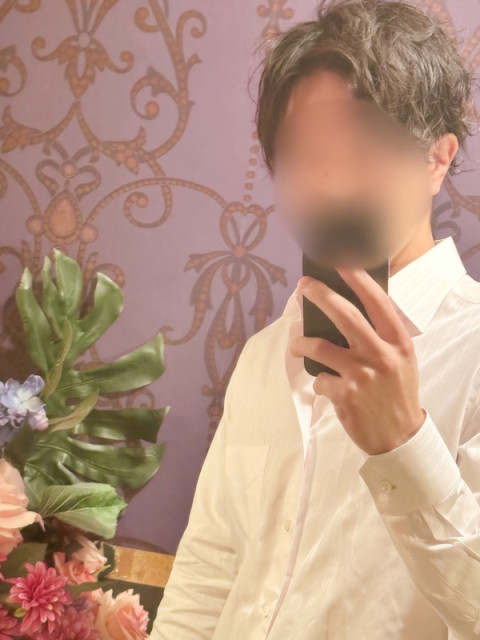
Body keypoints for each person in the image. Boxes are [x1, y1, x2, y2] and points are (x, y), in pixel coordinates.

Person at [150, 1, 480, 638]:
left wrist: (403, 445)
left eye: (364, 150)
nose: (329, 186)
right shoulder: (264, 354)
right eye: (303, 156)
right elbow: (209, 570)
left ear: (436, 159)